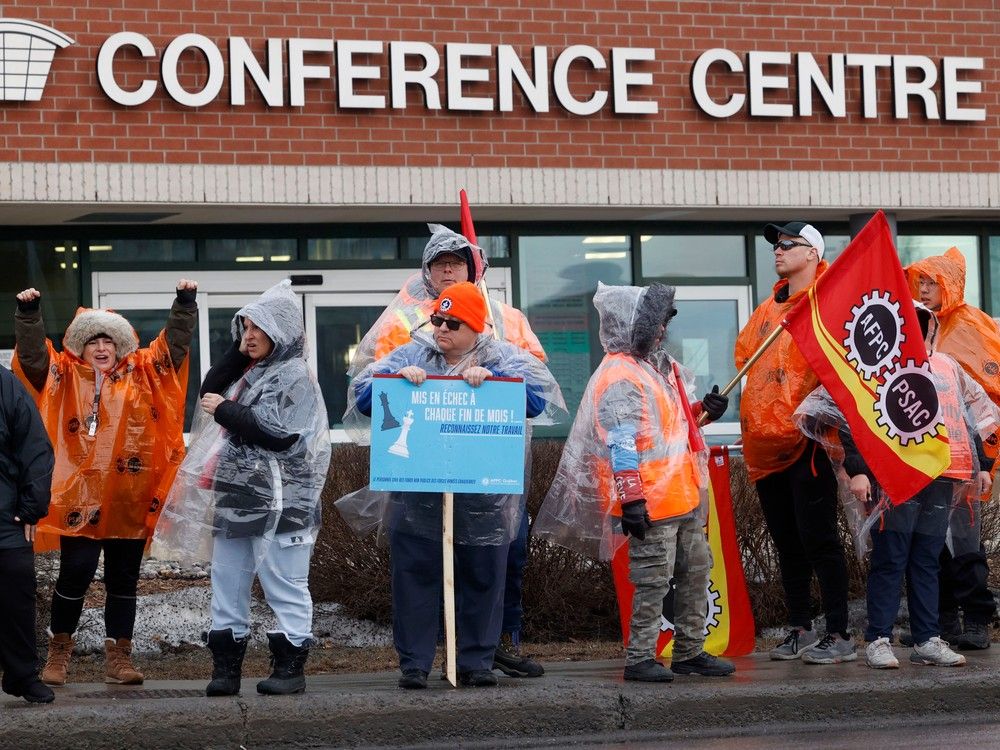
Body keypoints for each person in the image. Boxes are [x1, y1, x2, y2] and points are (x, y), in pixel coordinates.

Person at [338, 281, 565, 689]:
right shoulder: (413, 352)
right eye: (437, 320)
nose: (441, 329)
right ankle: (415, 663)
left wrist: (495, 381)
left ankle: (476, 661)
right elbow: (364, 396)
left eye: (452, 322)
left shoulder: (501, 356)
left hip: (483, 492)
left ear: (476, 327)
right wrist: (394, 380)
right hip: (419, 489)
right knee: (416, 575)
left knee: (483, 574)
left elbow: (537, 402)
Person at [534, 282, 735, 682]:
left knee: (696, 573)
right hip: (653, 502)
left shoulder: (655, 368)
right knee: (653, 581)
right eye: (657, 322)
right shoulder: (622, 375)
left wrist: (704, 411)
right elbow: (622, 442)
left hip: (683, 495)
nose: (664, 329)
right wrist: (632, 501)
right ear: (633, 326)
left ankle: (690, 652)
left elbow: (669, 427)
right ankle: (640, 657)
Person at [13, 281, 197, 686]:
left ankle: (120, 657)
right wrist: (30, 317)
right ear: (79, 347)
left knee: (123, 578)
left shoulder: (143, 372)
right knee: (75, 572)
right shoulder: (62, 373)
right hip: (78, 500)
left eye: (108, 341)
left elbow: (173, 351)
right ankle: (59, 652)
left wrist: (183, 306)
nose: (101, 347)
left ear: (118, 347)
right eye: (93, 340)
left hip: (130, 499)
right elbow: (31, 357)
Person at [153, 280, 331, 697]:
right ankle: (226, 669)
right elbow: (211, 388)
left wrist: (228, 411)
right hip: (238, 494)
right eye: (244, 327)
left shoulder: (294, 376)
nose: (248, 336)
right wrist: (241, 349)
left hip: (284, 498)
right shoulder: (255, 369)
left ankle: (290, 668)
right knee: (227, 581)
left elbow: (280, 434)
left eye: (257, 329)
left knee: (283, 582)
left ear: (282, 333)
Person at [796, 303, 997, 668]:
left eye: (922, 325)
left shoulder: (948, 366)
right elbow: (851, 418)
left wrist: (983, 464)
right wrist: (857, 469)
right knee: (891, 558)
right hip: (895, 476)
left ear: (931, 329)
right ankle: (879, 639)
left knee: (927, 559)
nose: (916, 333)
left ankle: (926, 639)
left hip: (943, 475)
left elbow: (975, 415)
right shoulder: (878, 368)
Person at [735, 221, 854, 664]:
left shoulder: (826, 308)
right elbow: (745, 360)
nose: (778, 251)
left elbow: (840, 374)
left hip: (808, 442)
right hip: (766, 447)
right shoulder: (767, 309)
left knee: (819, 538)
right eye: (776, 245)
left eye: (789, 245)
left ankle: (839, 633)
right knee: (787, 541)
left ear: (813, 255)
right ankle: (800, 627)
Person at [905, 248, 1000, 649]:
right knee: (930, 541)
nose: (924, 290)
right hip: (927, 451)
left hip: (967, 452)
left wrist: (985, 459)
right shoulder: (922, 325)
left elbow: (987, 397)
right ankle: (943, 621)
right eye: (920, 282)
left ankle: (977, 618)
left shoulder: (971, 328)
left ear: (950, 285)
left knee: (964, 540)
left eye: (932, 283)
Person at [0, 364, 55, 704]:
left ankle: (22, 675)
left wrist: (32, 505)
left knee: (16, 588)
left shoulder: (6, 385)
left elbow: (35, 447)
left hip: (5, 515)